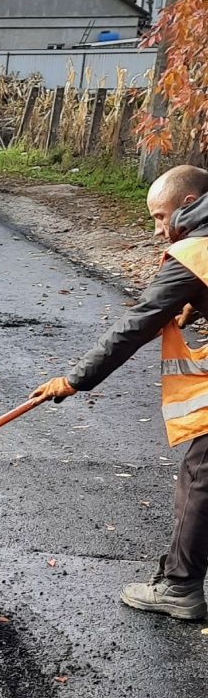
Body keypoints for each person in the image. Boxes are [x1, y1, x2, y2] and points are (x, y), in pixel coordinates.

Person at [31, 163, 208, 621]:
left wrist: (75, 379)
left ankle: (179, 587)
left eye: (159, 217)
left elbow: (137, 323)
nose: (156, 231)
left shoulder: (195, 251)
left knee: (201, 474)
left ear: (188, 205)